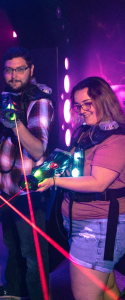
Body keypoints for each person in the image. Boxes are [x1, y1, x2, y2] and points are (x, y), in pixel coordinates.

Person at [37, 77, 125, 300]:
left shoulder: (116, 138)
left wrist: (54, 182)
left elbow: (98, 182)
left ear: (103, 99)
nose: (82, 110)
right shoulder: (88, 132)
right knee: (107, 289)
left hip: (99, 227)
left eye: (88, 103)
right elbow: (80, 171)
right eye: (78, 105)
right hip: (84, 224)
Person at [0, 46, 54, 300]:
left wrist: (15, 123)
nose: (14, 75)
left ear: (31, 70)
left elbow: (38, 149)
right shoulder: (10, 96)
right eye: (9, 70)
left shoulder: (39, 100)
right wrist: (1, 112)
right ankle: (14, 288)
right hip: (6, 185)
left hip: (27, 190)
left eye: (19, 69)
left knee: (33, 253)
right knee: (12, 244)